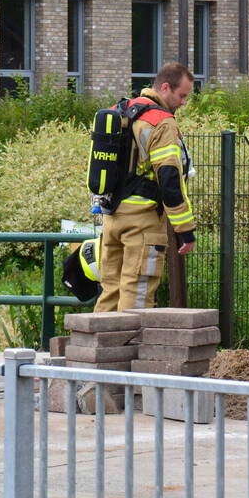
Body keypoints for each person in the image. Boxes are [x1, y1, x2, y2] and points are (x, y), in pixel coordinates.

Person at [95, 62, 197, 312]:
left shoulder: (118, 112)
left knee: (110, 291)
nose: (184, 102)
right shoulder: (161, 122)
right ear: (165, 87)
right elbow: (169, 179)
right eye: (182, 95)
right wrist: (185, 229)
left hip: (111, 217)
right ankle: (132, 338)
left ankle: (98, 337)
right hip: (142, 222)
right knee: (136, 295)